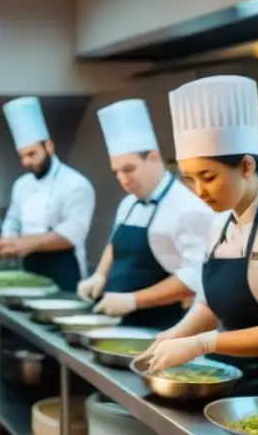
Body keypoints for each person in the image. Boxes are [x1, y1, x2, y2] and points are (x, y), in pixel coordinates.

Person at [138, 76, 258, 397]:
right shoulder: (221, 220)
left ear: (247, 166)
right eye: (189, 179)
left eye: (208, 177)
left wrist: (201, 343)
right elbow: (212, 300)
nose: (199, 192)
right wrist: (175, 335)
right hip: (232, 377)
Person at [77, 99, 215, 330]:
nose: (123, 179)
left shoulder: (189, 209)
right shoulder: (129, 202)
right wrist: (99, 275)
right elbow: (115, 244)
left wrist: (133, 301)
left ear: (153, 157)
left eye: (129, 169)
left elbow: (196, 278)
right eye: (117, 172)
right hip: (119, 323)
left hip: (160, 327)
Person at [0, 96, 96, 292]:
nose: (26, 162)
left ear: (49, 147)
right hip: (30, 268)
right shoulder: (22, 184)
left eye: (32, 154)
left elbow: (71, 234)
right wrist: (8, 239)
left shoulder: (76, 184)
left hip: (64, 269)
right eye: (22, 156)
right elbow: (13, 219)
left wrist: (25, 244)